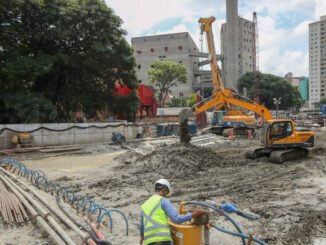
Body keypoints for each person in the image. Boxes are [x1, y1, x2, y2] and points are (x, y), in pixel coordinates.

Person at [139, 179, 206, 245]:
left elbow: (142, 226)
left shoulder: (144, 205)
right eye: (167, 192)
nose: (166, 195)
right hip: (163, 240)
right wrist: (193, 215)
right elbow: (176, 219)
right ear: (164, 190)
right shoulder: (163, 200)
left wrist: (142, 237)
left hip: (148, 242)